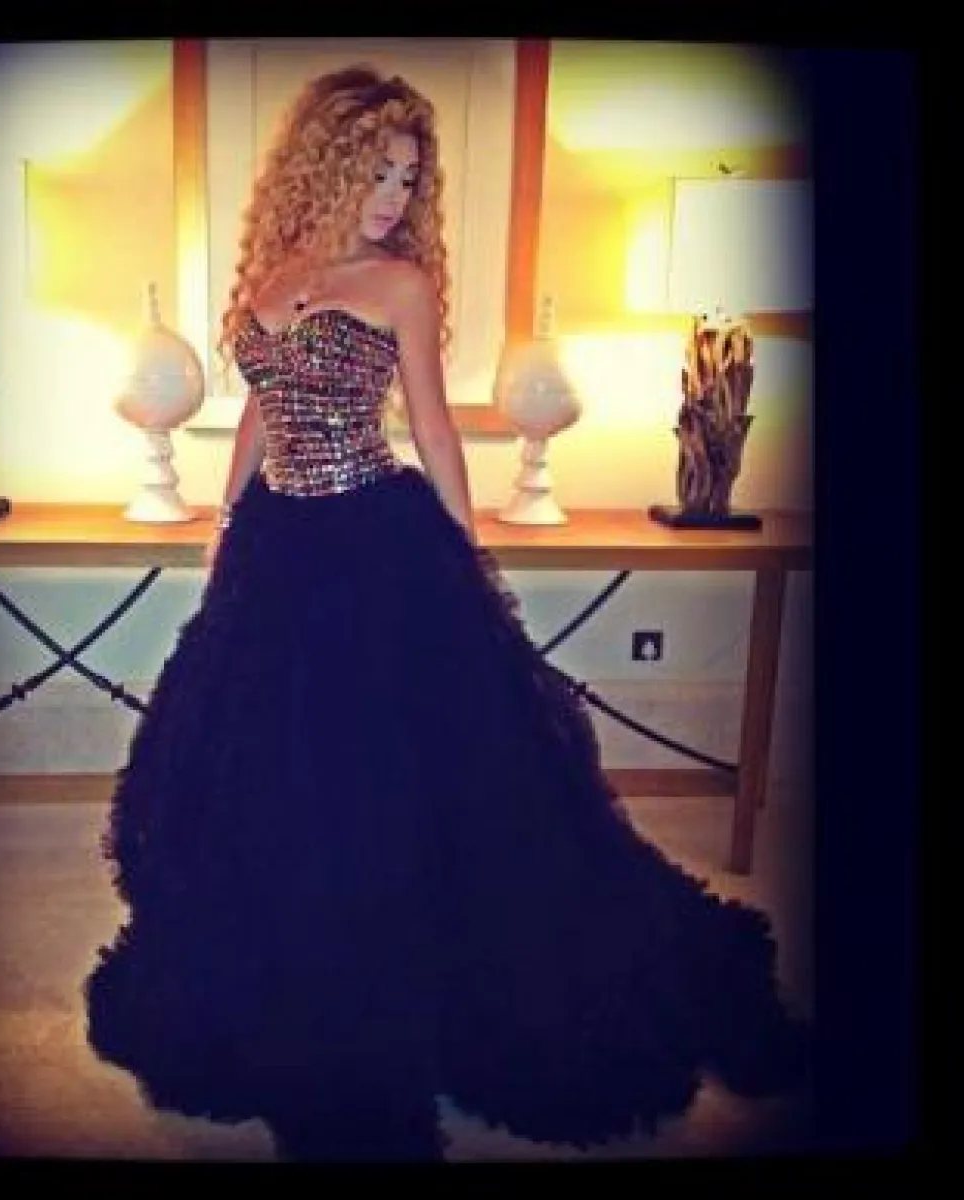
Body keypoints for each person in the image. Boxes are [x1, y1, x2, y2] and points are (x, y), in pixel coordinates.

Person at [84, 64, 810, 1163]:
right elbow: (262, 412)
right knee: (269, 771)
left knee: (391, 783)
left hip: (375, 546)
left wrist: (465, 559)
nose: (394, 195)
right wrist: (225, 521)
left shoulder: (402, 285)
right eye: (378, 172)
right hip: (277, 547)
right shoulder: (273, 274)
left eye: (409, 177)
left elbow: (429, 427)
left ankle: (396, 985)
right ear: (328, 164)